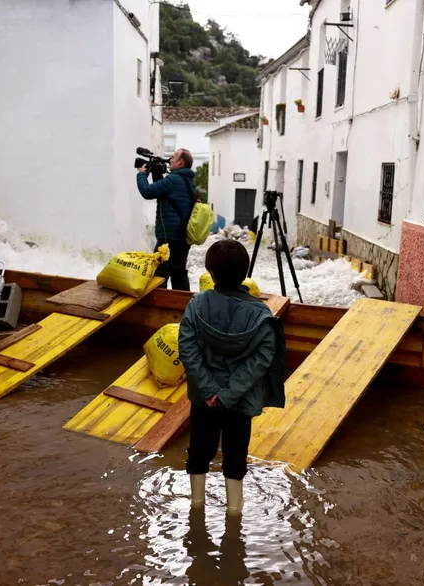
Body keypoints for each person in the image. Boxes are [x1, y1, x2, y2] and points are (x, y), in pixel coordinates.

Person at [178, 240, 286, 515]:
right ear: (245, 272)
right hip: (240, 401)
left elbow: (188, 350)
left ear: (211, 274)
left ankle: (196, 506)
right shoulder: (261, 314)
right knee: (235, 454)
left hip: (204, 400)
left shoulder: (197, 304)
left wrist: (210, 390)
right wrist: (228, 394)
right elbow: (262, 360)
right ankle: (234, 513)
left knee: (199, 450)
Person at [136, 149, 197, 290]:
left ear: (180, 161)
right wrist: (157, 173)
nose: (170, 160)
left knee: (159, 275)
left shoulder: (173, 180)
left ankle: (158, 306)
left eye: (173, 157)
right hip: (181, 236)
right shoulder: (186, 179)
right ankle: (182, 306)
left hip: (168, 238)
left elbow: (147, 191)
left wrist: (141, 174)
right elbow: (164, 193)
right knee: (178, 272)